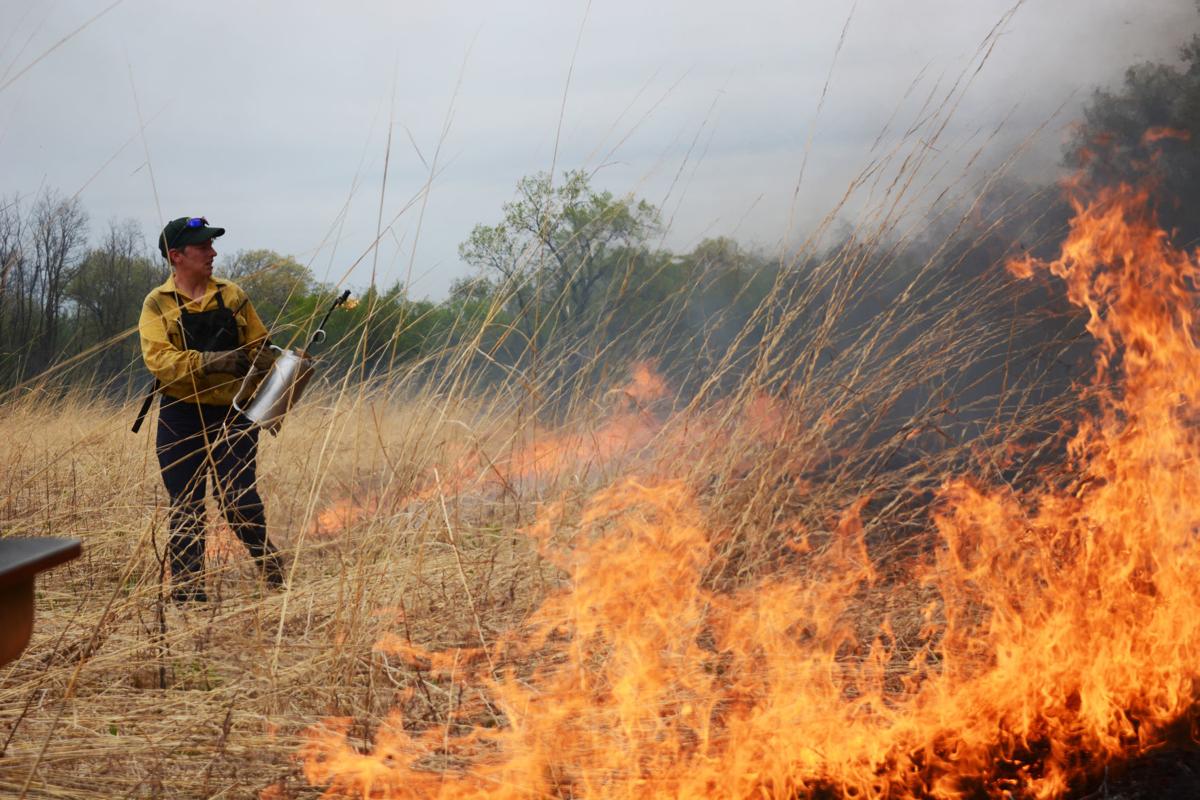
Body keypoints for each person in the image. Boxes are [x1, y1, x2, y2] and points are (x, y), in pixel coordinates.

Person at [137, 216, 282, 603]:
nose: (212, 252)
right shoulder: (157, 303)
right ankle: (188, 596)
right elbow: (159, 361)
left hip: (233, 414)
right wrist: (210, 361)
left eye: (211, 245)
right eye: (203, 247)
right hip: (180, 415)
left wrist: (266, 361)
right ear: (176, 256)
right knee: (185, 505)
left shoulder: (232, 296)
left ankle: (270, 566)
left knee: (239, 500)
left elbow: (260, 345)